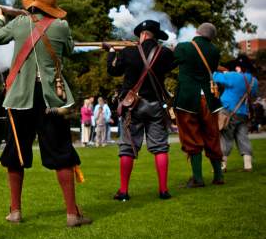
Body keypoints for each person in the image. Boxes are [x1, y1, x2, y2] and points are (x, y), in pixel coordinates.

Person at [0, 0, 91, 227]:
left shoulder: (19, 22)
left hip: (19, 98)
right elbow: (68, 49)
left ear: (32, 7)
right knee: (62, 154)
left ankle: (15, 212)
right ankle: (71, 214)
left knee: (15, 155)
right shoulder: (61, 26)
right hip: (52, 100)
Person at [106, 19, 176, 200]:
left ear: (142, 35)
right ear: (155, 36)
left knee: (127, 148)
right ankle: (163, 191)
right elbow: (173, 62)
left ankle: (123, 192)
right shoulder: (165, 53)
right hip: (156, 105)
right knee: (160, 148)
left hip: (133, 106)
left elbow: (113, 71)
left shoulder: (129, 52)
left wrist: (112, 53)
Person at [173, 23, 224, 188]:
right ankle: (218, 176)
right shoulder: (215, 51)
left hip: (188, 99)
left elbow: (172, 63)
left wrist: (174, 50)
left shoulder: (184, 47)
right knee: (212, 136)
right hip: (209, 99)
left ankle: (198, 178)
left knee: (191, 138)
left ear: (197, 32)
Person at [213, 55, 258, 172]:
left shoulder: (233, 76)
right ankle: (248, 165)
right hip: (243, 112)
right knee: (243, 138)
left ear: (239, 67)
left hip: (228, 112)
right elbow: (253, 95)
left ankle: (222, 166)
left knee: (225, 138)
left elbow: (215, 76)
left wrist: (224, 72)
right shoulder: (254, 81)